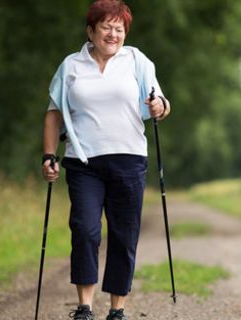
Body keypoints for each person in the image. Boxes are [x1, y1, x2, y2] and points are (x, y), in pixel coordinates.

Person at [41, 1, 171, 319]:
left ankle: (117, 309)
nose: (113, 34)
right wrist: (48, 155)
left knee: (124, 234)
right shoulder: (71, 66)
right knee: (84, 229)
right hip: (83, 161)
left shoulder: (136, 60)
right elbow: (53, 114)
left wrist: (159, 106)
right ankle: (84, 307)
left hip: (129, 159)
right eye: (106, 27)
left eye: (119, 29)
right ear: (91, 31)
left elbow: (162, 104)